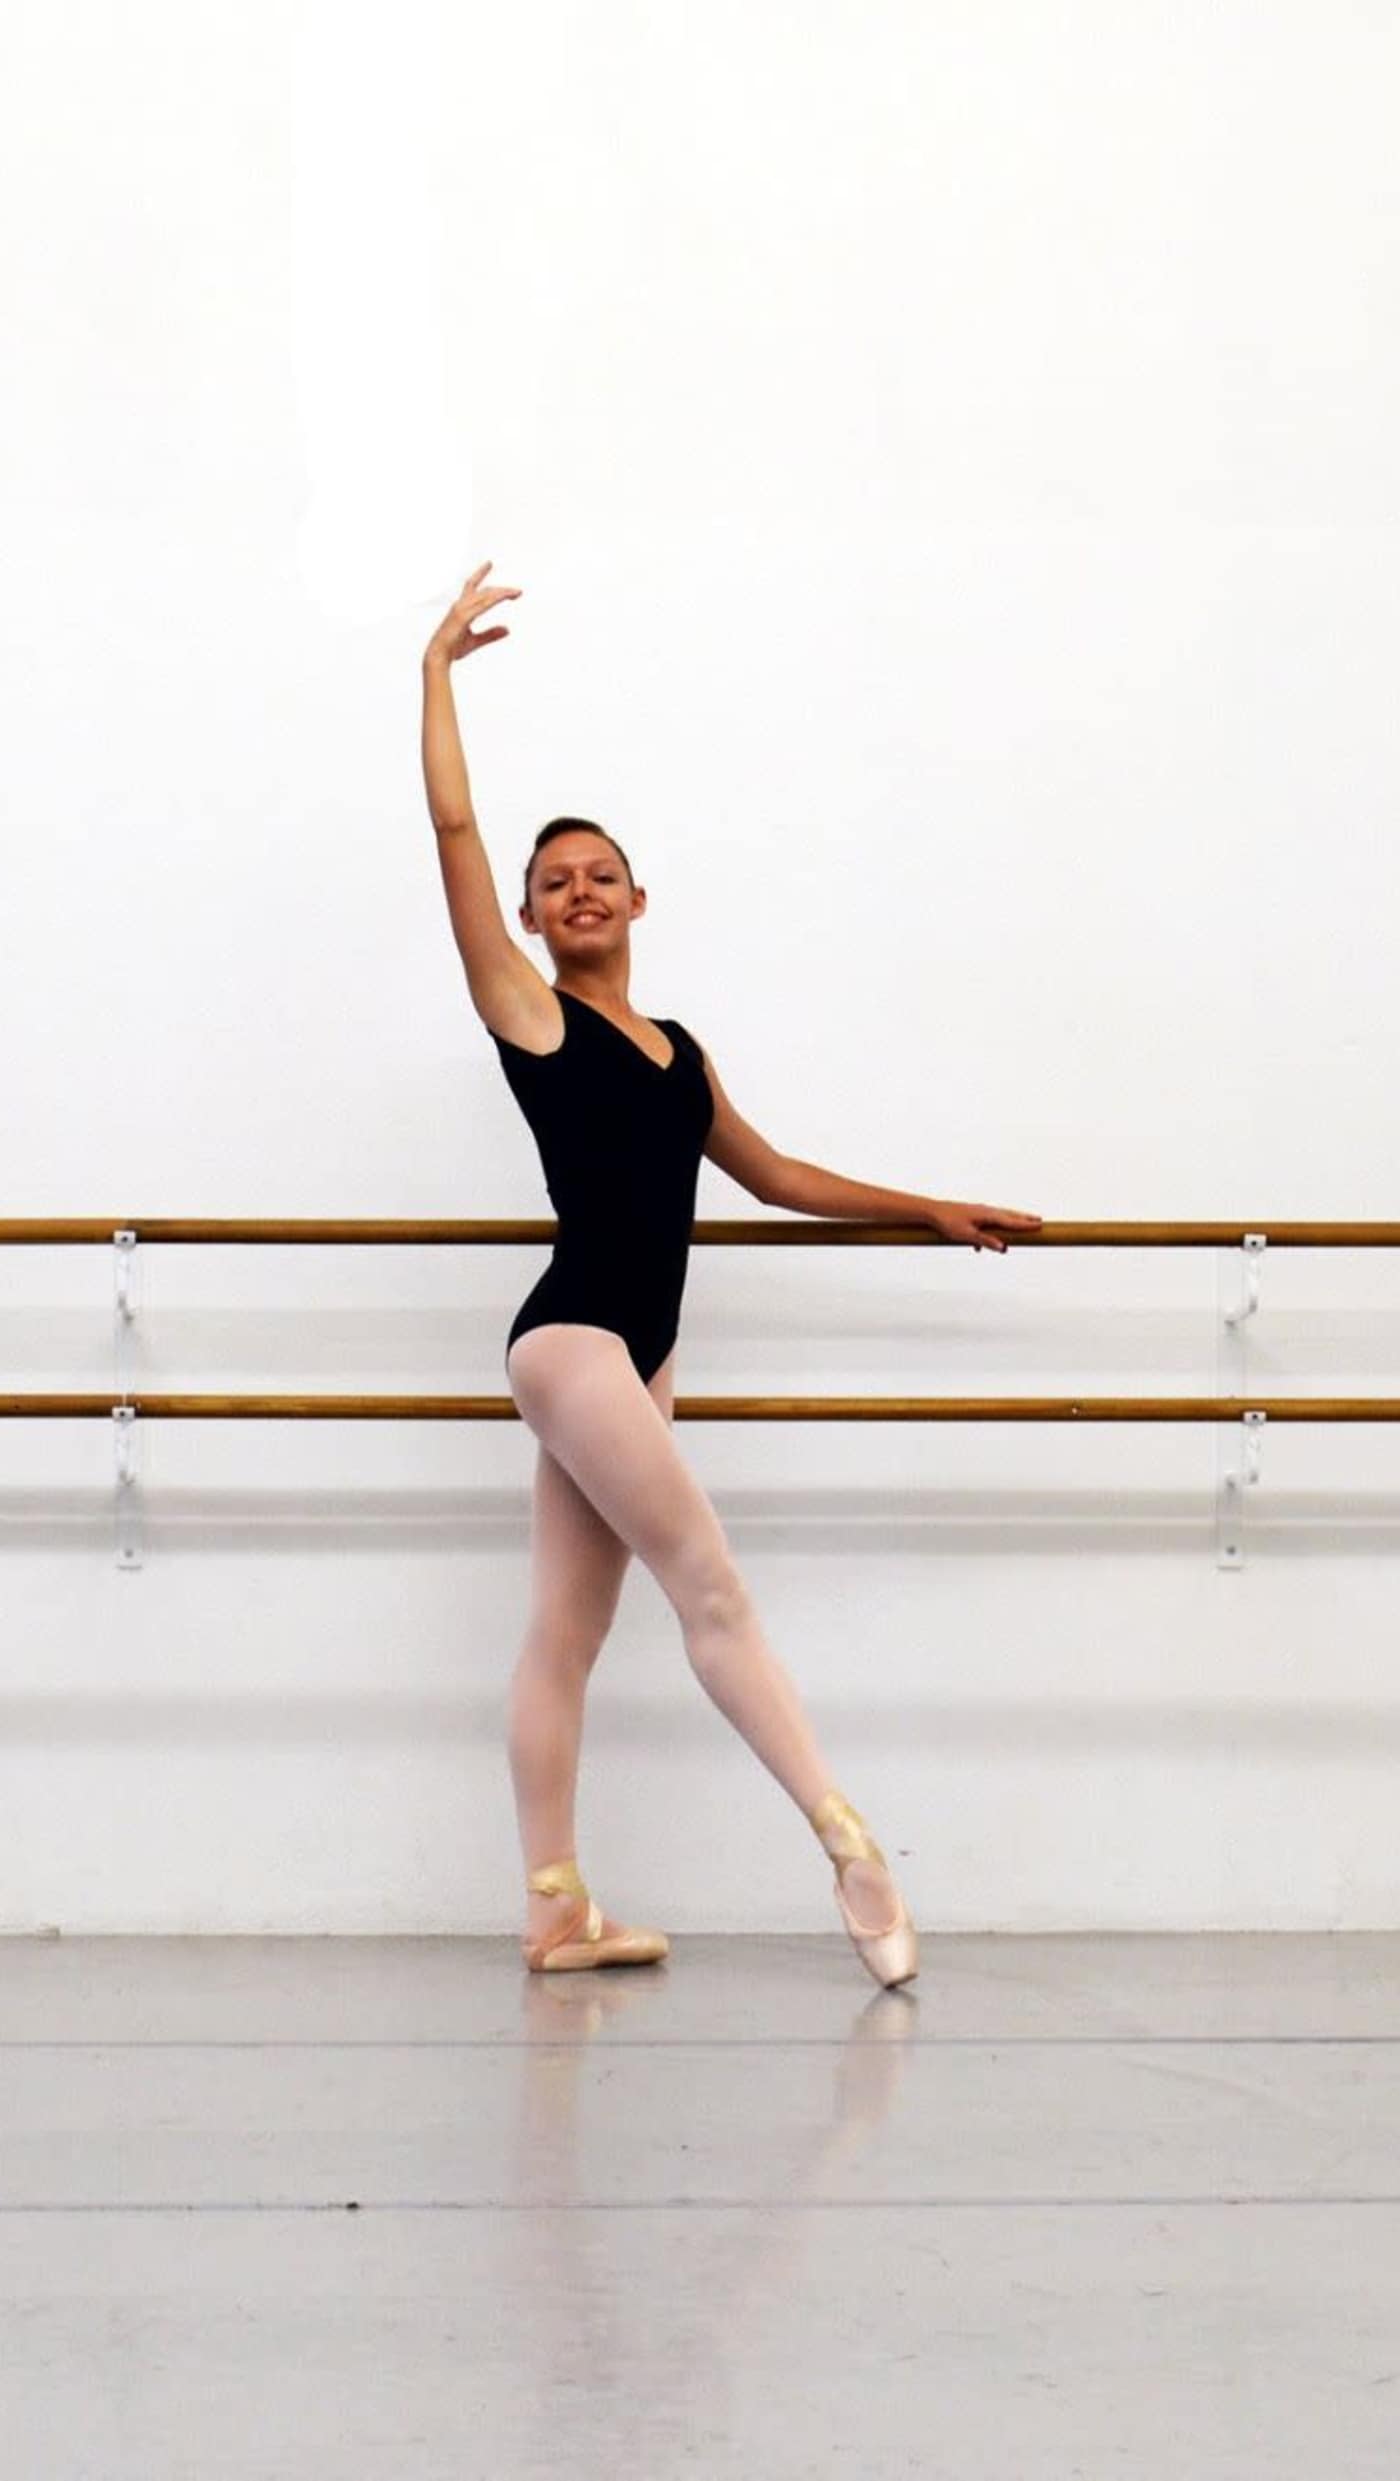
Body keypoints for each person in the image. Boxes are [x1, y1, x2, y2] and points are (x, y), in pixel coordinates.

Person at [417, 561, 1042, 1985]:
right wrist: (436, 676)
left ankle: (555, 1908)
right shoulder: (531, 1017)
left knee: (565, 1634)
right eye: (550, 882)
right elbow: (452, 824)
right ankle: (846, 1839)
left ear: (639, 897)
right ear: (529, 921)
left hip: (635, 1358)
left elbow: (773, 1176)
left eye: (598, 874)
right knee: (714, 1592)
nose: (577, 891)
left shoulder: (682, 1052)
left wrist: (929, 1208)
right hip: (573, 1340)